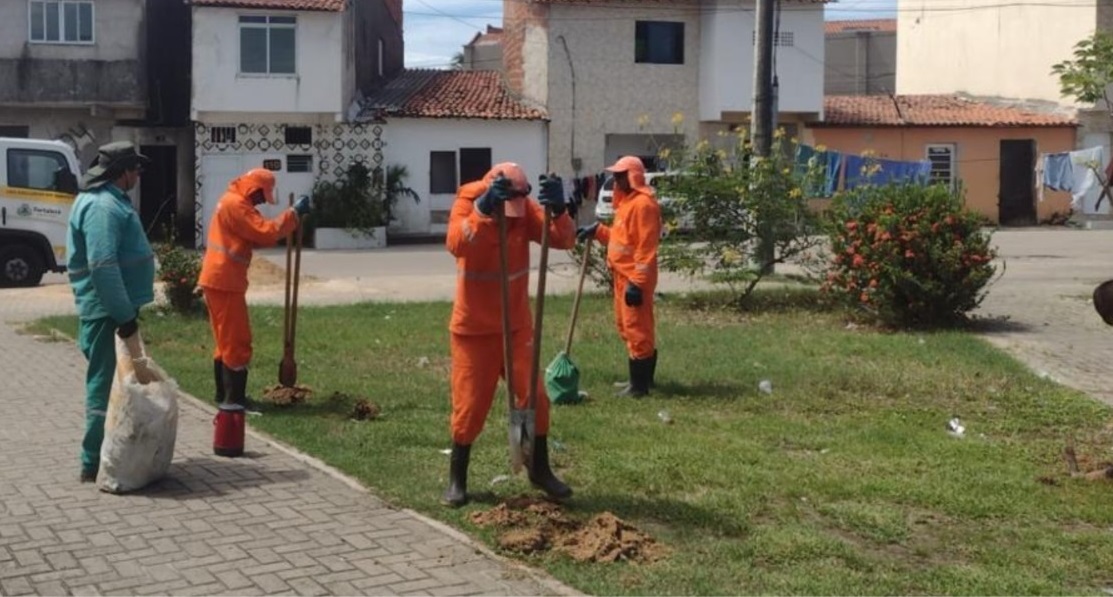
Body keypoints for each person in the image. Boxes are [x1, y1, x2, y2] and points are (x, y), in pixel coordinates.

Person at [442, 163, 574, 507]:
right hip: (474, 330)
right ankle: (458, 477)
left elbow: (563, 239)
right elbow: (456, 244)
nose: (514, 215)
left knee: (534, 397)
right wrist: (484, 210)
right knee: (470, 407)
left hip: (515, 326)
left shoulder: (524, 210)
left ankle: (535, 465)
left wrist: (559, 209)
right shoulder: (468, 202)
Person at [66, 141, 158, 483]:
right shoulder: (103, 207)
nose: (138, 175)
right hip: (108, 312)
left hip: (113, 310)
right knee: (103, 387)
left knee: (115, 385)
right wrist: (124, 315)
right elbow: (103, 266)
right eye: (135, 169)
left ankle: (114, 451)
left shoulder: (108, 201)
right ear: (122, 172)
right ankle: (92, 462)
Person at [198, 169, 310, 408]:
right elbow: (266, 233)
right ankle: (234, 401)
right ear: (253, 188)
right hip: (225, 281)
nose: (261, 202)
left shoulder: (232, 201)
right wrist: (293, 214)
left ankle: (224, 396)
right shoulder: (236, 205)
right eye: (261, 197)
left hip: (220, 279)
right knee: (237, 342)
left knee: (225, 342)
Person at [576, 156, 662, 397]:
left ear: (633, 176)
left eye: (620, 174)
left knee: (637, 328)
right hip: (622, 276)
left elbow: (646, 247)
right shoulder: (627, 203)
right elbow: (622, 237)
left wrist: (638, 282)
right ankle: (641, 379)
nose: (615, 179)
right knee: (626, 327)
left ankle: (639, 387)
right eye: (615, 174)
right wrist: (599, 231)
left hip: (634, 278)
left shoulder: (644, 205)